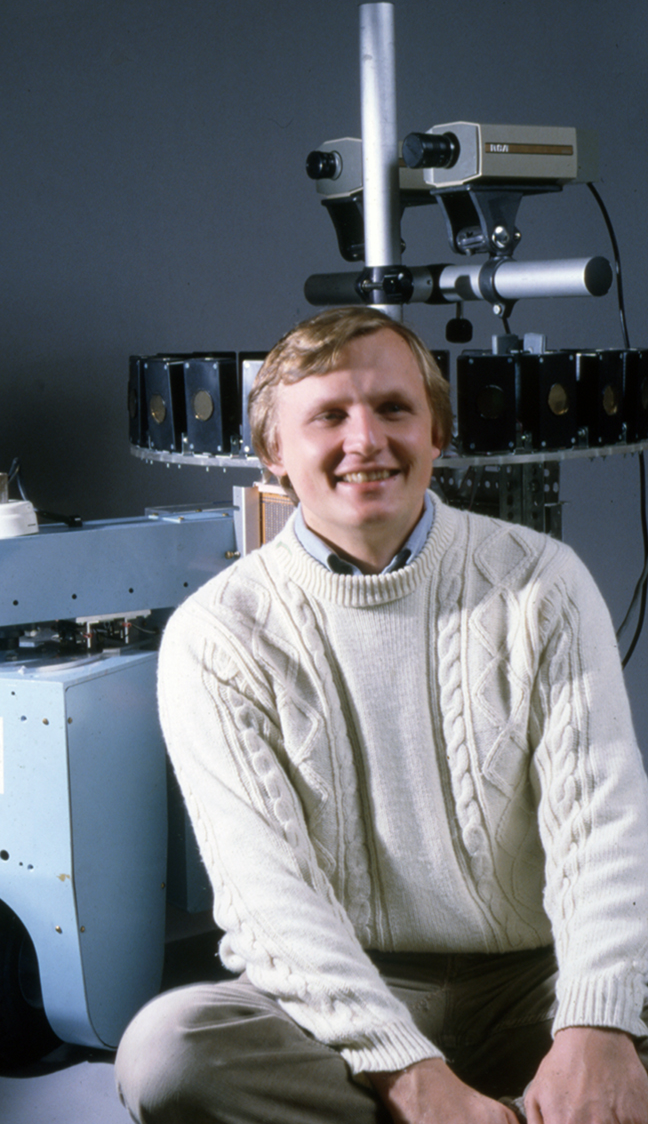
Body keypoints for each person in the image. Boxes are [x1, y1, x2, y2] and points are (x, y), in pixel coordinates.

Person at [115, 306, 648, 1124]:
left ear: (437, 430)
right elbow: (270, 903)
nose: (366, 441)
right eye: (328, 415)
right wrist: (411, 1077)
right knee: (169, 1053)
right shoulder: (218, 633)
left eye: (394, 409)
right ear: (274, 455)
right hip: (336, 1001)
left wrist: (596, 1027)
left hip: (534, 982)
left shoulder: (542, 583)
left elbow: (603, 826)